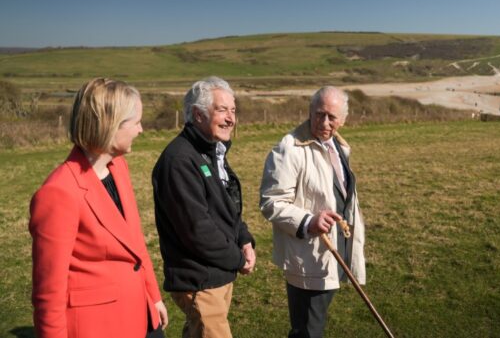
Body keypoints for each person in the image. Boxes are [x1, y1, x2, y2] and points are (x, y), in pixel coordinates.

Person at [29, 78, 168, 338]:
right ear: (111, 125)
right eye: (136, 121)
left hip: (141, 314)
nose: (141, 129)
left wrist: (153, 296)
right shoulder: (58, 192)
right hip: (99, 326)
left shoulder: (118, 167)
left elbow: (135, 242)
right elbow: (49, 294)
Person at [152, 76, 256, 338]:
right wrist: (238, 258)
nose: (231, 118)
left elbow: (226, 206)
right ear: (197, 115)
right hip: (198, 278)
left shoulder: (211, 151)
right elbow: (197, 229)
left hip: (217, 272)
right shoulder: (179, 160)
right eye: (222, 110)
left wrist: (244, 239)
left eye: (233, 110)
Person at [260, 86, 366, 338]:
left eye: (332, 117)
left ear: (344, 119)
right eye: (319, 114)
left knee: (312, 327)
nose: (324, 122)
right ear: (309, 111)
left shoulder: (338, 146)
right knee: (307, 331)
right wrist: (308, 221)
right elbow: (271, 202)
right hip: (308, 255)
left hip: (334, 251)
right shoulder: (289, 148)